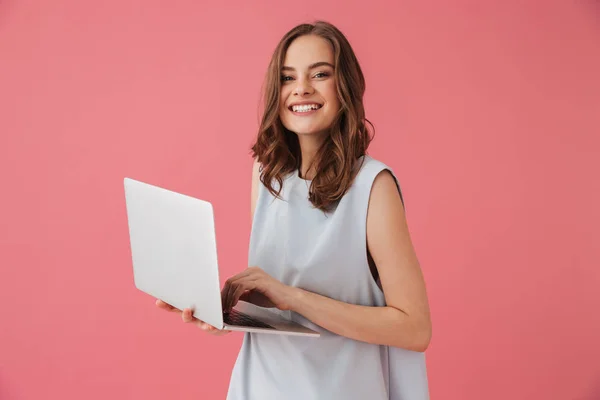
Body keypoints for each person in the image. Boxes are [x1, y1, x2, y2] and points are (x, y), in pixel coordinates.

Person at [156, 20, 432, 400]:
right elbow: (286, 320)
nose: (301, 88)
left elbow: (414, 329)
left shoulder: (374, 187)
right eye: (288, 78)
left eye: (319, 74)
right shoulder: (266, 175)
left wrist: (293, 296)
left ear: (345, 87)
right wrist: (224, 315)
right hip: (260, 386)